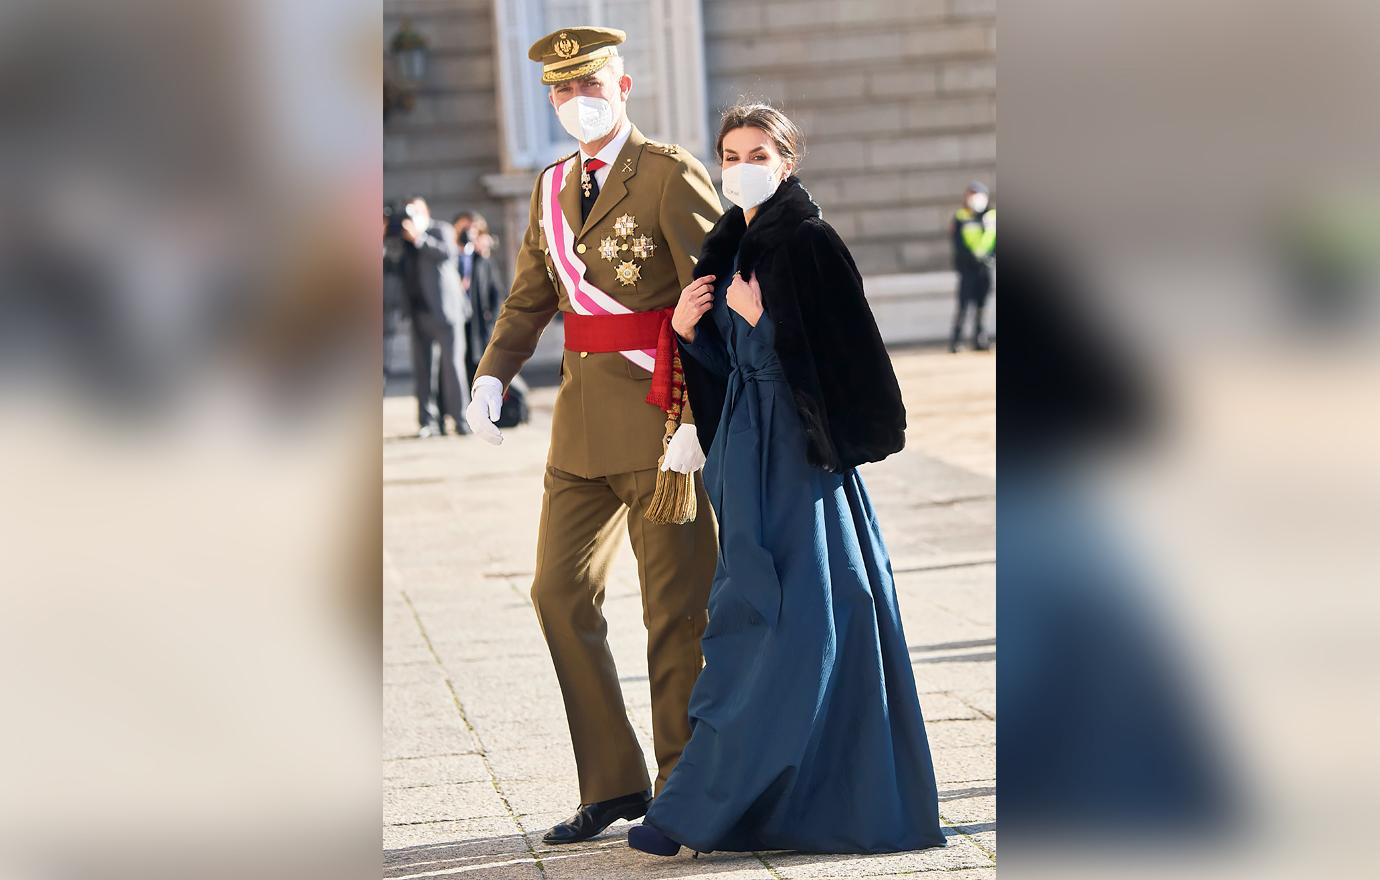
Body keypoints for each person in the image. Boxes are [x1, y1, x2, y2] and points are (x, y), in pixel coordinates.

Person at [626, 103, 947, 857]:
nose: (743, 164)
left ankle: (689, 811)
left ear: (788, 161)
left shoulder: (809, 243)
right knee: (760, 615)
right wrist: (686, 331)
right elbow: (729, 366)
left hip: (802, 462)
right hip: (744, 451)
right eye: (731, 152)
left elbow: (848, 360)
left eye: (759, 151)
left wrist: (762, 320)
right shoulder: (725, 244)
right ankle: (758, 806)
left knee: (794, 620)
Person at [463, 26, 722, 845]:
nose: (577, 103)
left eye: (590, 87)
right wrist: (493, 372)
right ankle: (613, 780)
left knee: (674, 612)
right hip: (577, 430)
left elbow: (715, 293)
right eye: (562, 92)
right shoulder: (549, 186)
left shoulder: (669, 172)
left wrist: (698, 420)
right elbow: (532, 294)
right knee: (558, 593)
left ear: (625, 85)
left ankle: (684, 784)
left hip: (661, 422)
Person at [399, 195, 471, 436]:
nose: (412, 216)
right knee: (423, 370)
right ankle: (428, 422)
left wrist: (419, 238)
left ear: (426, 213)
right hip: (419, 312)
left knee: (453, 367)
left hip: (446, 312)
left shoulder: (441, 229)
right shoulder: (403, 239)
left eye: (416, 211)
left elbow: (447, 253)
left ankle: (461, 420)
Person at [455, 211, 506, 384]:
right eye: (463, 230)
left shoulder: (482, 260)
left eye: (472, 231)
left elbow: (497, 293)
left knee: (478, 369)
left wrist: (491, 318)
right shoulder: (451, 256)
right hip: (456, 321)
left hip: (479, 323)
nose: (467, 235)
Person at [950, 181, 996, 352]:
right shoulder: (961, 216)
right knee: (963, 305)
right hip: (968, 268)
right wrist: (970, 257)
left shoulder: (991, 216)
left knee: (982, 305)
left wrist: (989, 257)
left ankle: (980, 337)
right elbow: (957, 243)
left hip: (985, 268)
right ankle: (956, 340)